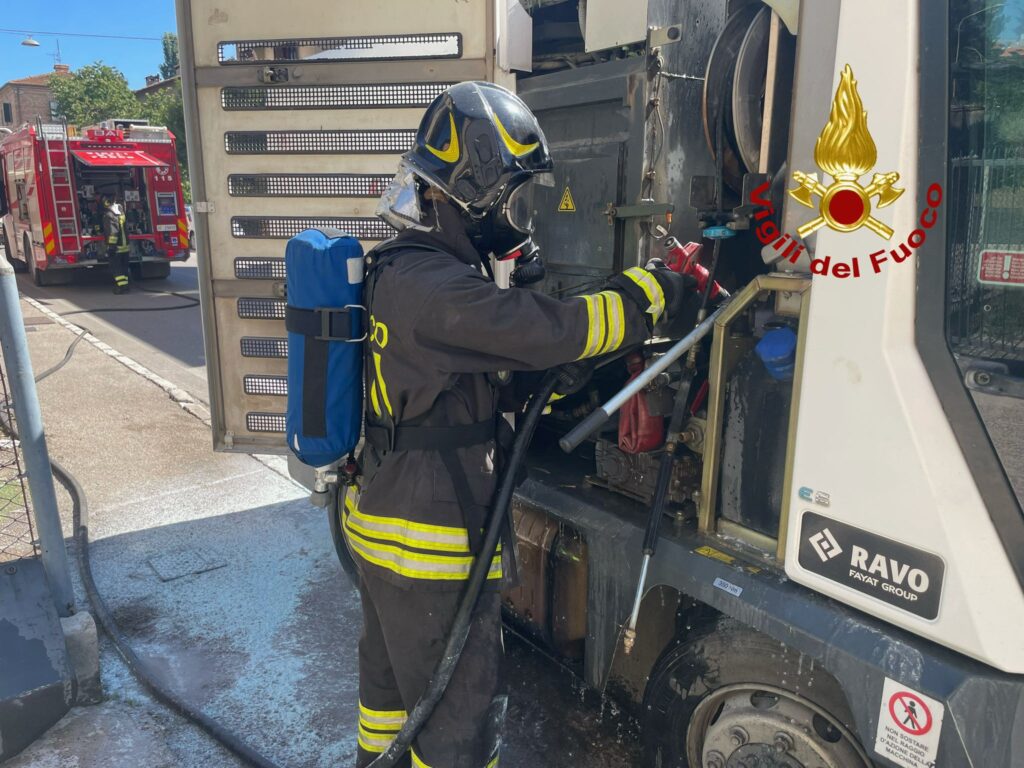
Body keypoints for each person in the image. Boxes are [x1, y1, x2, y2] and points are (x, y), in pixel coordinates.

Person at [348, 81, 695, 768]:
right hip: (431, 541)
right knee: (456, 726)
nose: (517, 215)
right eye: (512, 197)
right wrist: (656, 290)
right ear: (472, 192)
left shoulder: (407, 269)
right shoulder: (437, 289)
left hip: (388, 524)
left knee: (389, 703)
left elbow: (456, 384)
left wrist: (540, 380)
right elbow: (562, 329)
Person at [102, 197, 130, 294]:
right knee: (124, 267)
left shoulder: (109, 215)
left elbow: (113, 232)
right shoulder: (121, 214)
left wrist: (111, 247)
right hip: (125, 246)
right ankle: (126, 285)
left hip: (117, 248)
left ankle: (121, 287)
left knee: (116, 268)